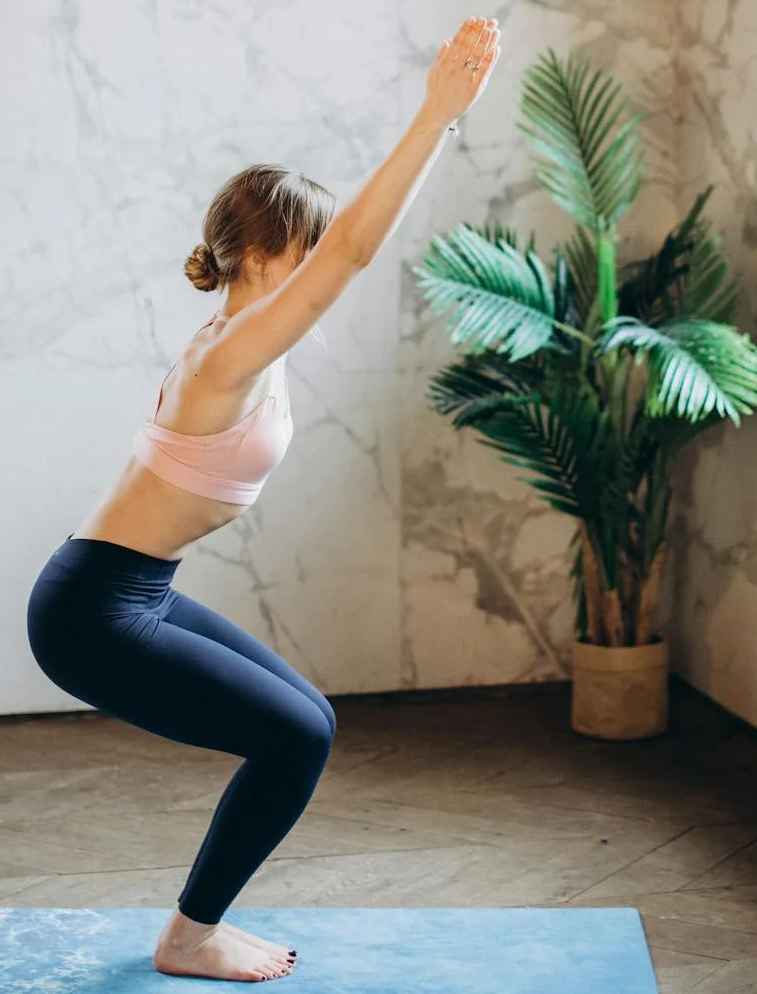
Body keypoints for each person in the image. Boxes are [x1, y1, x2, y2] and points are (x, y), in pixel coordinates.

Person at [26, 15, 501, 984]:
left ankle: (193, 925)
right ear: (261, 251)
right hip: (90, 611)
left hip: (130, 590)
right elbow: (350, 262)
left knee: (307, 718)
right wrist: (436, 119)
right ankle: (189, 933)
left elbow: (336, 270)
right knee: (295, 738)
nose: (323, 264)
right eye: (310, 248)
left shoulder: (245, 341)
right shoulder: (226, 357)